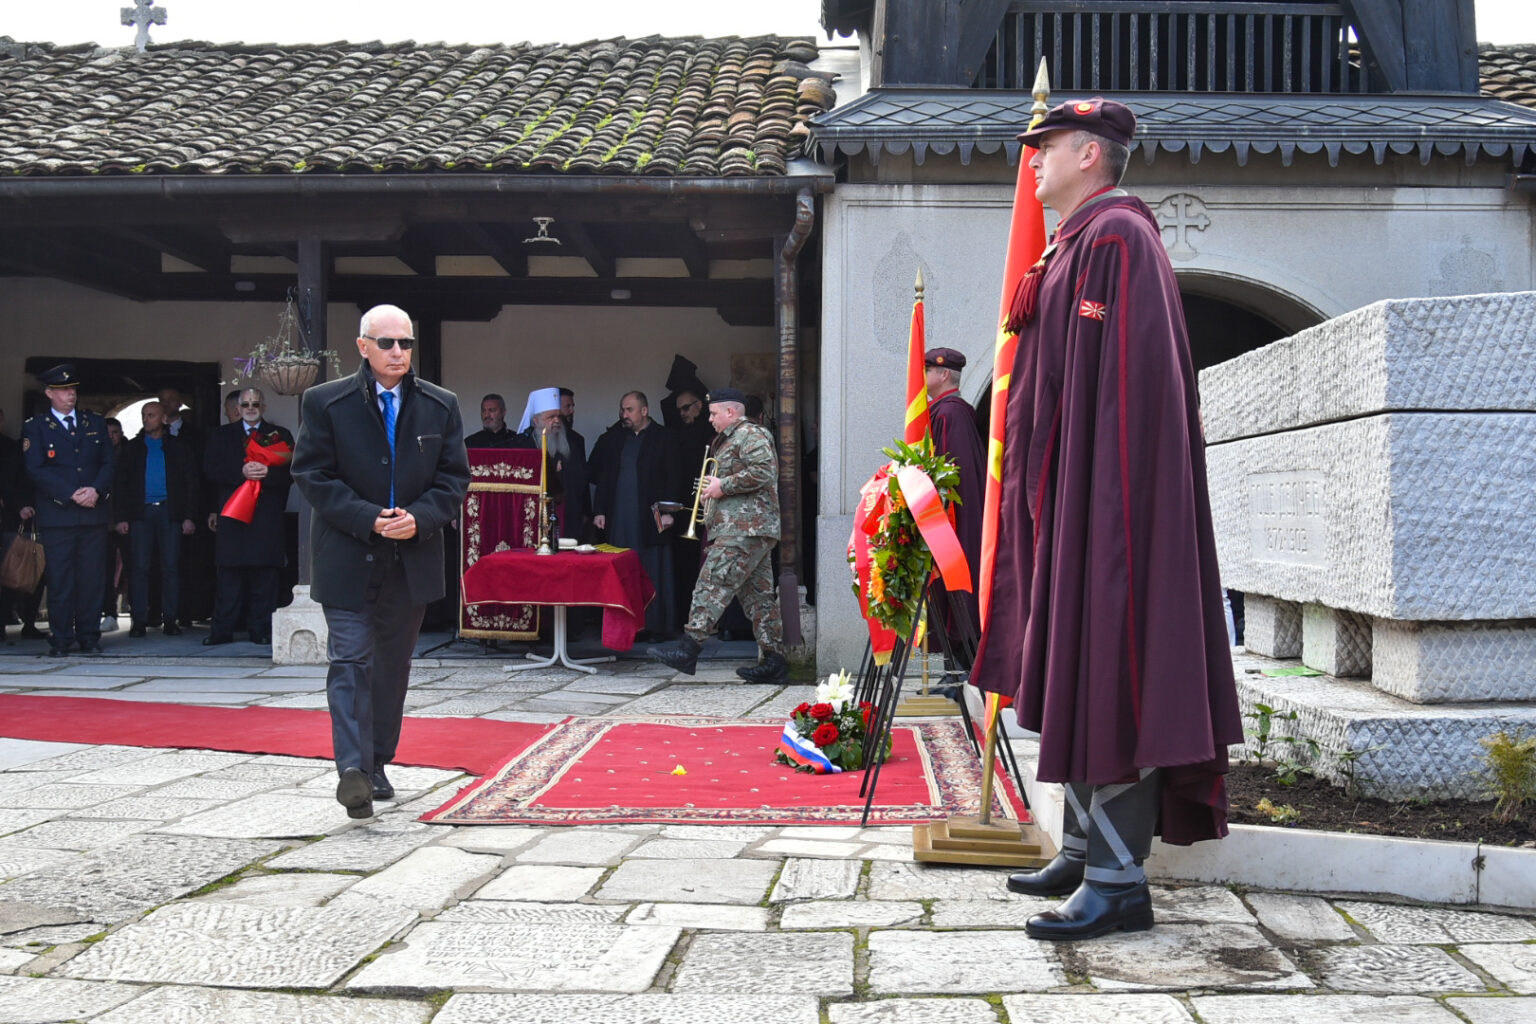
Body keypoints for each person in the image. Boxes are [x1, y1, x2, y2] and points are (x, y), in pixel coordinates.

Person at [970, 98, 1242, 941]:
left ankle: (1120, 885)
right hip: (1072, 501)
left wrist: (1107, 524)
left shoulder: (1118, 239)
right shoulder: (1078, 244)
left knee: (1112, 671)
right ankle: (1087, 850)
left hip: (1108, 509)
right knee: (1077, 668)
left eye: (1045, 147)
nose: (1032, 161)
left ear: (1090, 153)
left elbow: (1131, 392)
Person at [292, 303, 469, 819]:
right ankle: (352, 766)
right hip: (347, 555)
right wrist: (367, 516)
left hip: (410, 559)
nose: (397, 352)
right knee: (350, 661)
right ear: (362, 346)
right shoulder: (325, 402)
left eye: (405, 343)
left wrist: (421, 518)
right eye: (387, 342)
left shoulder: (440, 405)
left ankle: (375, 765)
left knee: (391, 669)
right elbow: (312, 475)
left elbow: (454, 479)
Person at [647, 388, 787, 684]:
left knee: (711, 582)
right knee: (759, 598)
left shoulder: (750, 434)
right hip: (747, 528)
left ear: (731, 412)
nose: (709, 419)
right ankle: (774, 660)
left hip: (744, 528)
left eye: (713, 414)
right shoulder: (730, 438)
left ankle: (689, 649)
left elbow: (764, 471)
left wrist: (723, 486)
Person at [22, 364, 115, 656]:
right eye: (63, 390)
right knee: (60, 579)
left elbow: (109, 462)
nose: (70, 395)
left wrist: (95, 490)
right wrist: (70, 494)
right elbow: (35, 469)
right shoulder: (36, 427)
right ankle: (61, 637)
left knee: (91, 578)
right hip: (58, 515)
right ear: (49, 393)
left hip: (92, 513)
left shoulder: (94, 422)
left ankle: (89, 636)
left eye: (73, 389)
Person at [202, 388, 293, 646]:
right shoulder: (220, 435)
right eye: (245, 404)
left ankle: (260, 630)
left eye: (255, 403)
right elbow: (210, 470)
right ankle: (222, 630)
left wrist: (267, 473)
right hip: (232, 513)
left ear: (263, 407)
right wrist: (241, 472)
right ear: (237, 409)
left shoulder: (279, 435)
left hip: (266, 515)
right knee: (228, 574)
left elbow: (293, 473)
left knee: (264, 575)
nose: (250, 408)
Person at [588, 391, 682, 637]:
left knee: (652, 569)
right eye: (622, 409)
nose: (624, 414)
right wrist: (600, 511)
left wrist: (669, 512)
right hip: (620, 516)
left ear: (644, 411)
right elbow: (604, 477)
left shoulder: (664, 437)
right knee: (622, 569)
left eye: (629, 410)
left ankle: (654, 627)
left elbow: (674, 477)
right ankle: (624, 627)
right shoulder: (615, 439)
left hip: (653, 517)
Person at [113, 401, 199, 637]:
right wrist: (121, 517)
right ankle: (139, 621)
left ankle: (170, 620)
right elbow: (120, 484)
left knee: (171, 567)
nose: (146, 419)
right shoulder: (132, 448)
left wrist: (189, 516)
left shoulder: (179, 448)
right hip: (140, 513)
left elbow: (191, 484)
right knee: (139, 568)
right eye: (144, 415)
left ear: (163, 419)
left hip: (170, 512)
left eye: (151, 415)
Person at [924, 347, 985, 657]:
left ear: (944, 374)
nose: (921, 377)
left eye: (927, 371)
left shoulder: (950, 414)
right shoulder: (945, 411)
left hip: (953, 521)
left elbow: (947, 478)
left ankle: (961, 660)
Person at [515, 388, 585, 540]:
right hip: (535, 517)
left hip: (568, 517)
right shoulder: (523, 446)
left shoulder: (572, 443)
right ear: (536, 421)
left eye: (558, 416)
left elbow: (581, 482)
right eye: (551, 417)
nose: (557, 421)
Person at [0, 408, 40, 644]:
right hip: (17, 520)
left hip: (42, 520)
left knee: (38, 573)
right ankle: (2, 624)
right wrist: (19, 506)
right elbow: (6, 483)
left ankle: (30, 623)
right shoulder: (15, 451)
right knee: (10, 573)